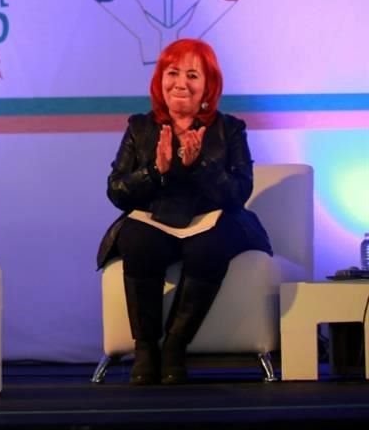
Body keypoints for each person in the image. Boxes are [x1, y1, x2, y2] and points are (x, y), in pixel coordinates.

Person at [96, 38, 271, 385]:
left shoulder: (229, 129)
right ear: (160, 80)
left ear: (208, 84)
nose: (180, 83)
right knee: (138, 242)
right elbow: (116, 190)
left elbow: (239, 192)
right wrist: (154, 172)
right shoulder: (140, 127)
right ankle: (145, 348)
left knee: (207, 248)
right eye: (172, 73)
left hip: (214, 220)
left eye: (192, 75)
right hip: (155, 219)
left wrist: (201, 166)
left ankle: (175, 345)